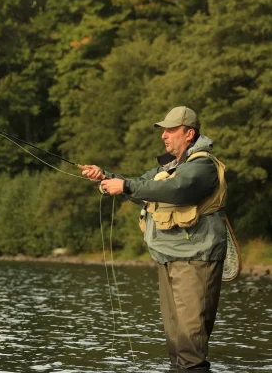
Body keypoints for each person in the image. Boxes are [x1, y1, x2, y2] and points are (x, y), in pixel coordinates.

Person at [81, 106, 227, 371]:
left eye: (171, 130)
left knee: (190, 344)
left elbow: (177, 190)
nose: (164, 136)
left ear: (189, 134)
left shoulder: (202, 165)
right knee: (175, 342)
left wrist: (124, 186)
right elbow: (141, 185)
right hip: (169, 256)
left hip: (196, 259)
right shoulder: (169, 166)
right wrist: (106, 177)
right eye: (164, 130)